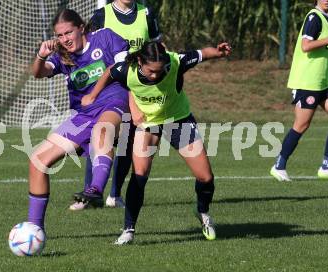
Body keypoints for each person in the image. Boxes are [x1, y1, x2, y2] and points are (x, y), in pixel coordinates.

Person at [82, 41, 231, 244]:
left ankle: (202, 212)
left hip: (178, 119)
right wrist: (92, 95)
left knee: (205, 177)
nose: (155, 76)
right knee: (140, 175)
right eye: (151, 71)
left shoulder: (175, 62)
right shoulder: (127, 69)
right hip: (148, 123)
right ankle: (128, 230)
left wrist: (219, 52)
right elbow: (109, 72)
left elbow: (202, 53)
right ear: (141, 61)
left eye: (159, 72)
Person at [27, 8, 130, 231]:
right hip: (83, 115)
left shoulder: (105, 37)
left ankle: (95, 189)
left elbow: (123, 69)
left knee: (101, 132)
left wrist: (94, 94)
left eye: (68, 33)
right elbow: (38, 73)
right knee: (37, 160)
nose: (65, 39)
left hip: (115, 102)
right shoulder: (64, 56)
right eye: (60, 35)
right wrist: (41, 55)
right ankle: (34, 229)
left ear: (81, 27)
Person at [69, 0, 162, 211]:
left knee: (129, 142)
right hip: (109, 86)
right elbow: (87, 48)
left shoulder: (145, 12)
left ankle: (115, 195)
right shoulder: (102, 15)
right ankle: (89, 193)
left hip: (139, 86)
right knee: (100, 137)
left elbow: (157, 46)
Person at [270, 0, 328, 182]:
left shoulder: (327, 18)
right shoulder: (314, 17)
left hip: (325, 81)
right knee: (301, 125)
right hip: (308, 82)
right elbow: (305, 46)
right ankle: (279, 165)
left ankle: (327, 165)